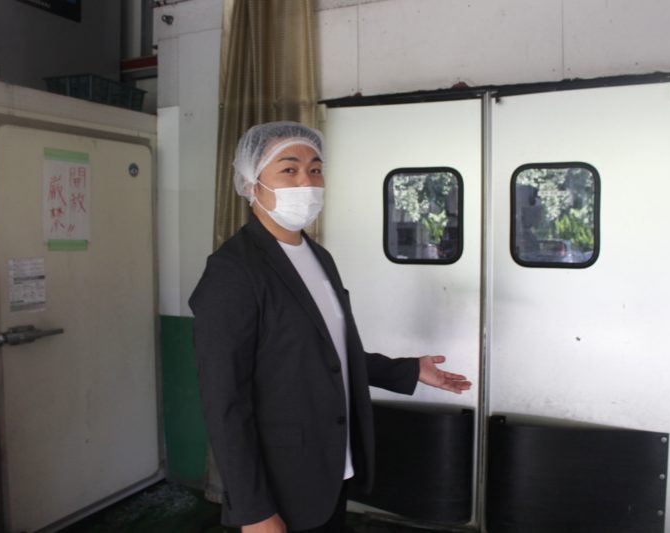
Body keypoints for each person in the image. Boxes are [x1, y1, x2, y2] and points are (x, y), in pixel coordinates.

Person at [189, 121, 471, 533]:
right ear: (251, 184)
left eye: (316, 169)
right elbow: (225, 401)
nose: (307, 181)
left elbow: (326, 352)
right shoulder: (233, 271)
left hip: (330, 465)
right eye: (289, 169)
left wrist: (407, 370)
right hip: (280, 481)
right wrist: (253, 509)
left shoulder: (317, 256)